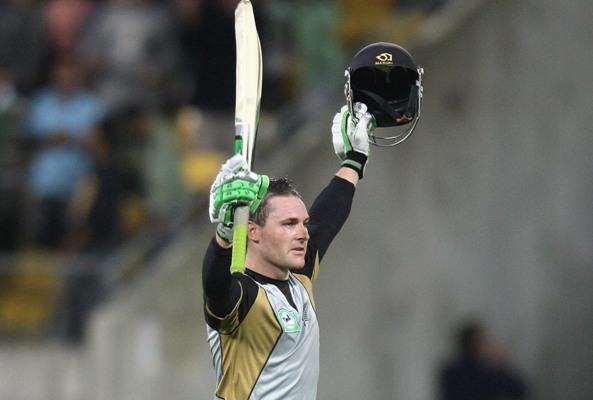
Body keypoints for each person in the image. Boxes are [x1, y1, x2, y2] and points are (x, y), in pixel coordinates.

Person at [202, 102, 375, 399]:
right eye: (289, 224)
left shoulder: (299, 277)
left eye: (302, 223)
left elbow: (326, 217)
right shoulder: (241, 296)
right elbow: (214, 284)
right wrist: (225, 233)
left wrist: (354, 161)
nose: (302, 233)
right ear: (252, 232)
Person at [438, 319, 530, 400]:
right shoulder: (486, 373)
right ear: (476, 343)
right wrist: (503, 367)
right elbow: (520, 391)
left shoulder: (449, 371)